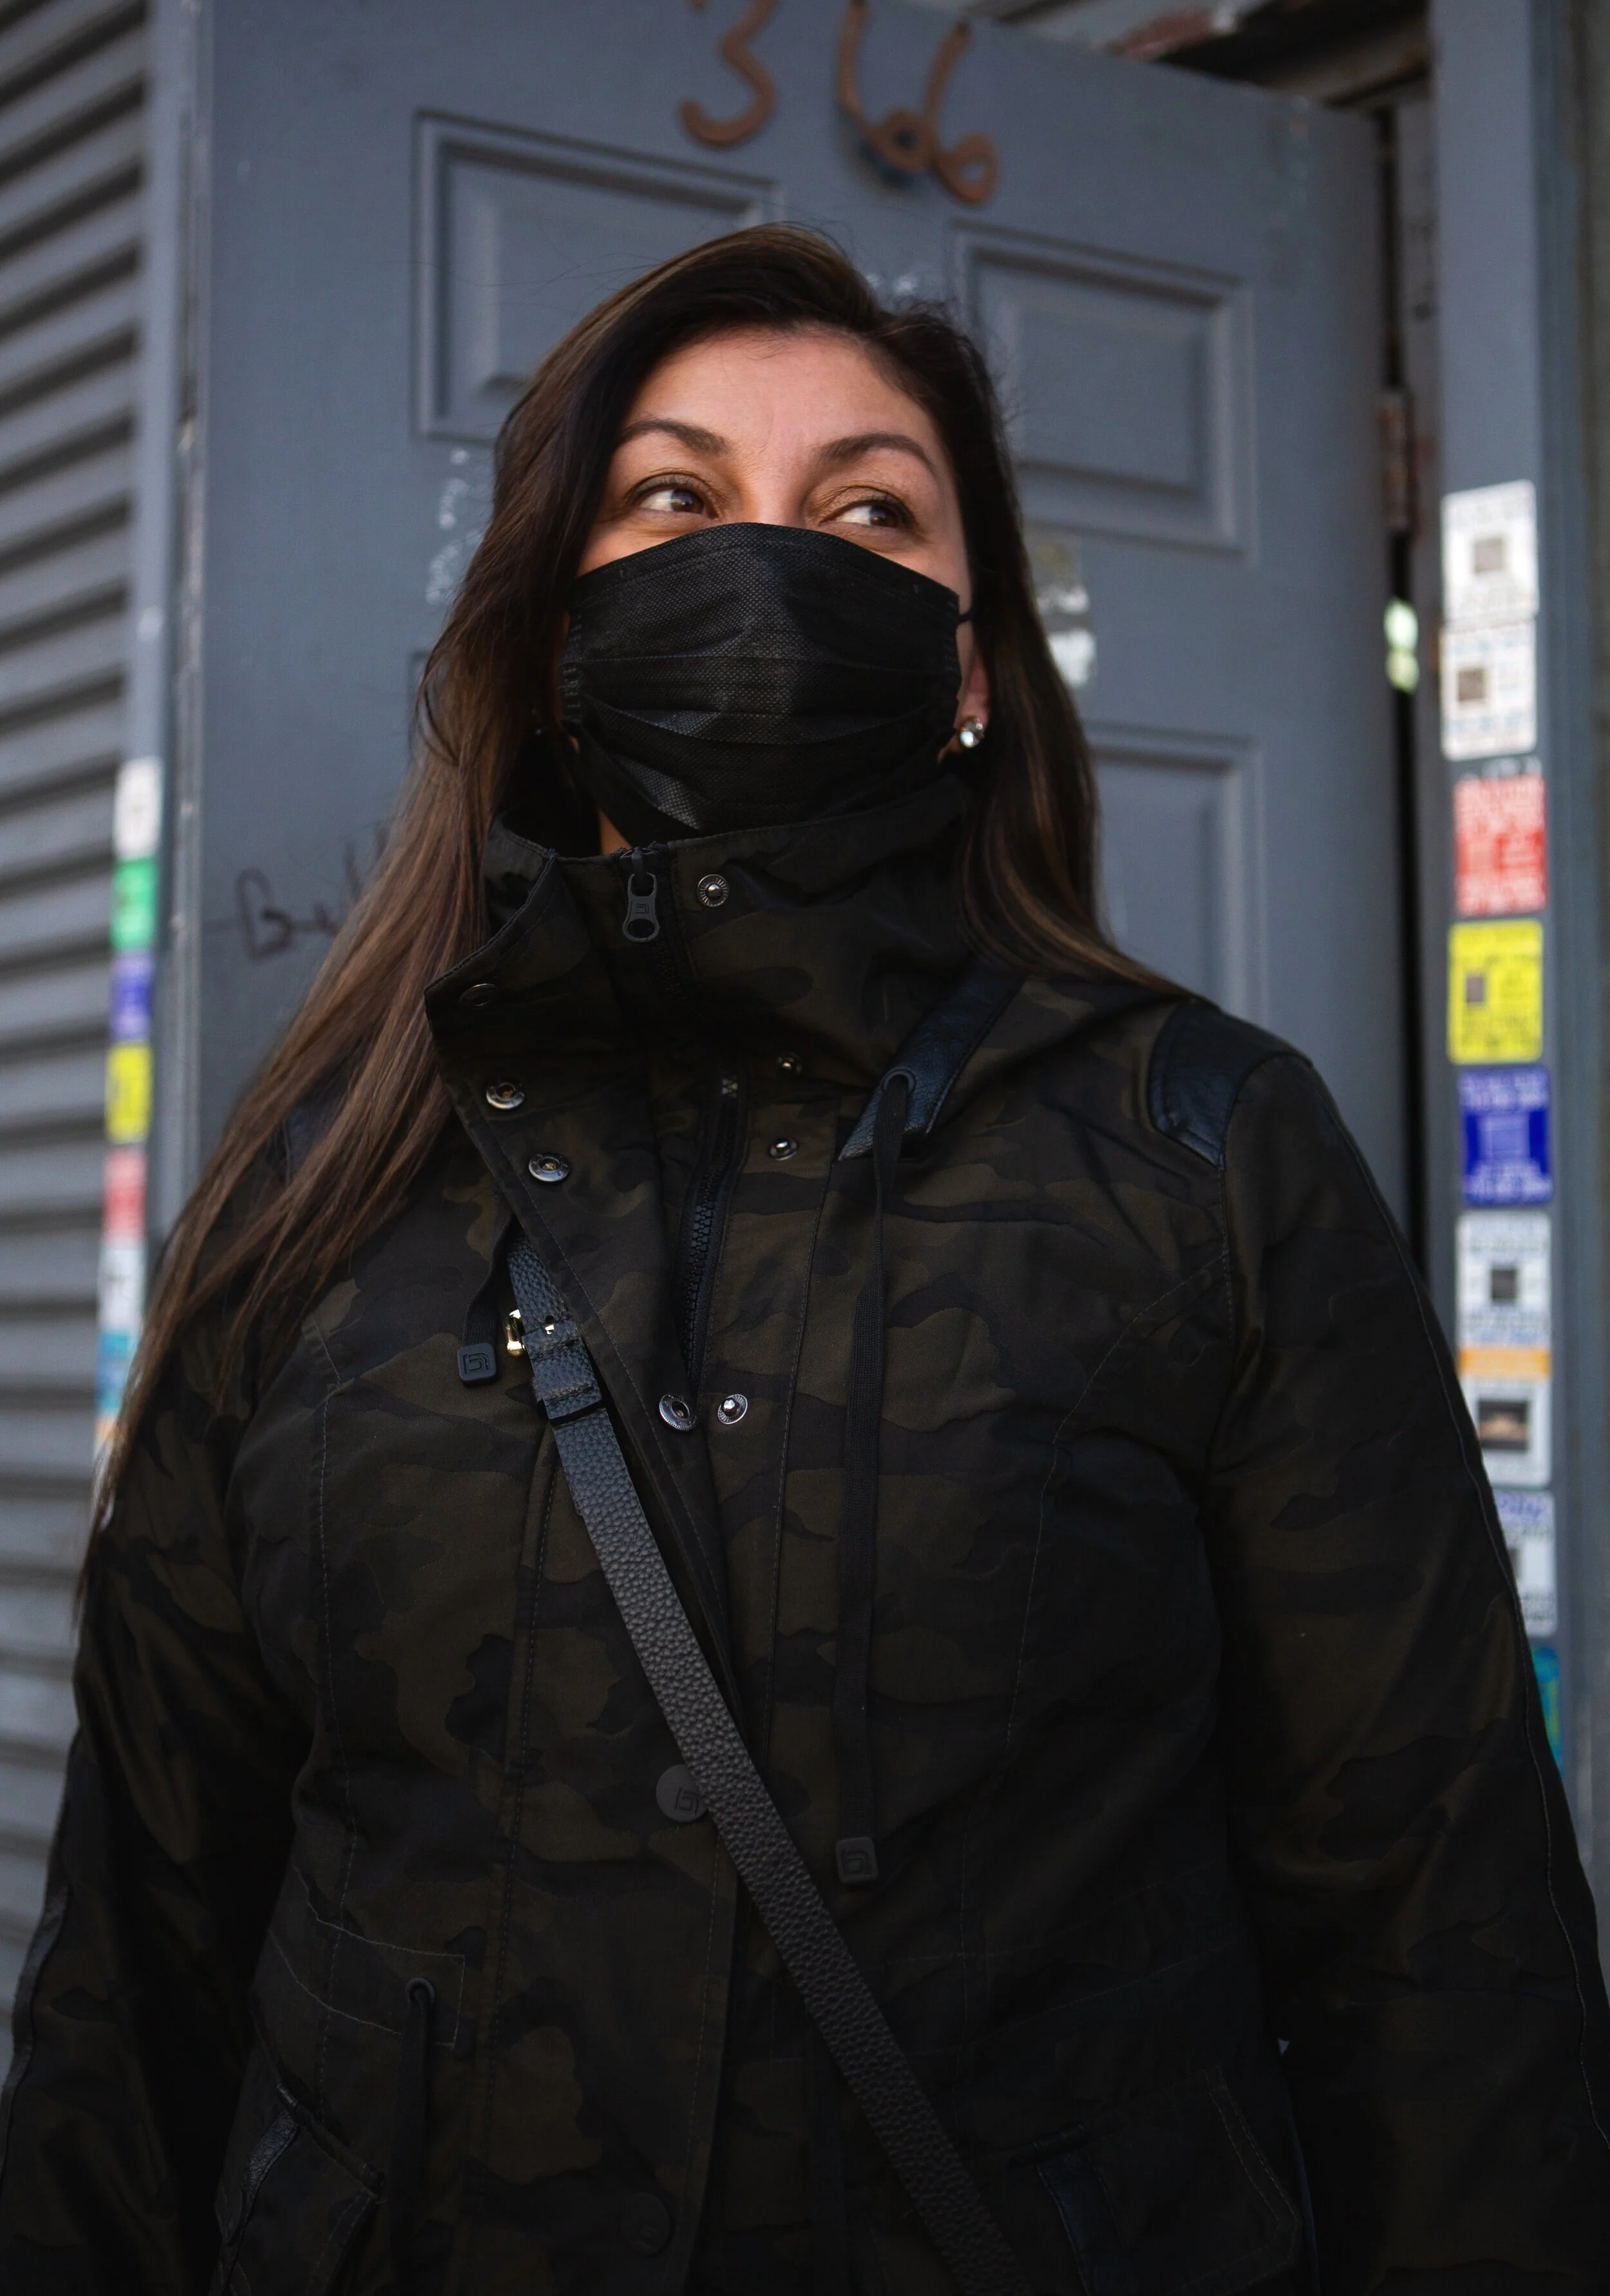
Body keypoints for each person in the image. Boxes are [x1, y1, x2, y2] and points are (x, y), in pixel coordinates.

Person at [0, 224, 1605, 2296]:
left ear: (963, 665)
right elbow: (138, 1955)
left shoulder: (1199, 1149)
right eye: (673, 498)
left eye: (868, 509)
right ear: (551, 638)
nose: (767, 564)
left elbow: (1437, 1935)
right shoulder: (322, 1192)